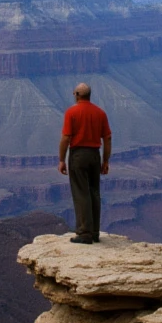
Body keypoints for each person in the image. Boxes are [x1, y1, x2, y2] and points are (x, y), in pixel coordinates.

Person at [57, 82, 112, 244]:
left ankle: (84, 232)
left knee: (81, 193)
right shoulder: (100, 113)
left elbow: (66, 138)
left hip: (78, 155)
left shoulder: (71, 112)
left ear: (77, 95)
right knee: (94, 192)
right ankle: (94, 232)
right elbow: (107, 138)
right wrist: (106, 160)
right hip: (95, 155)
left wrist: (61, 159)